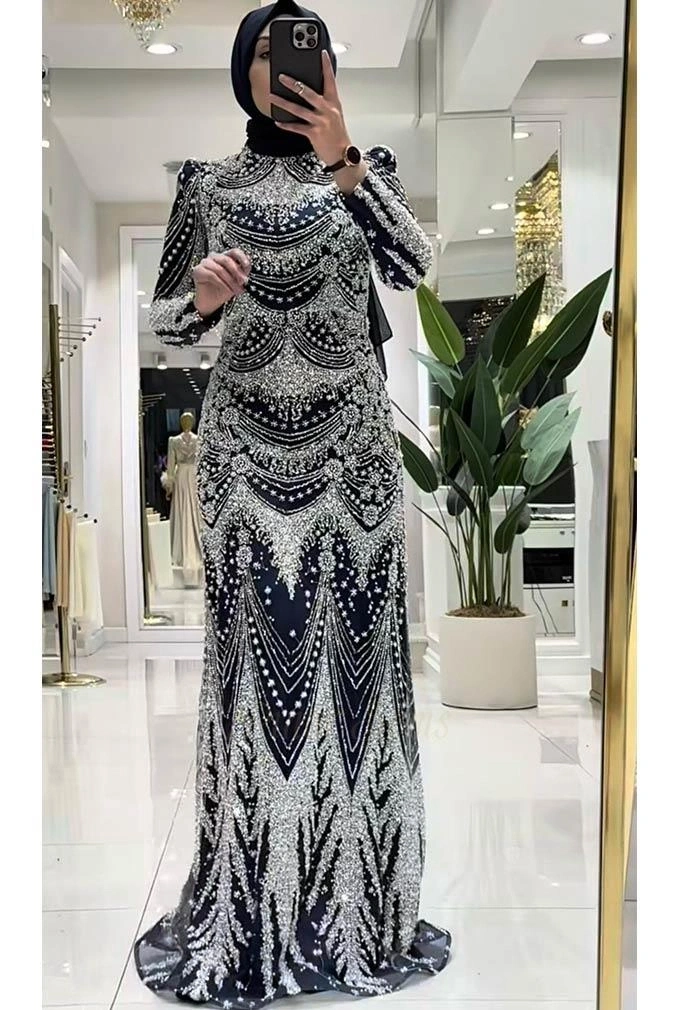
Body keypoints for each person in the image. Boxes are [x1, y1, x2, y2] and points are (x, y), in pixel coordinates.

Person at [135, 1, 451, 1005]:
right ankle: (256, 906)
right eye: (266, 51)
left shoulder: (365, 169)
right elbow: (165, 323)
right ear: (243, 67)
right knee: (250, 687)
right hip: (242, 467)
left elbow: (415, 267)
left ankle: (360, 906)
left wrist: (345, 159)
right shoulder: (206, 184)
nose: (284, 66)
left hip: (352, 469)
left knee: (357, 684)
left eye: (300, 49)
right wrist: (203, 299)